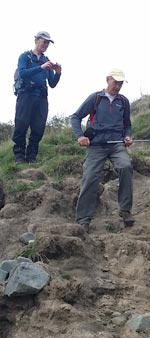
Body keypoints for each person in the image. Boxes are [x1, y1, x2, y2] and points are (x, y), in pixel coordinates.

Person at [70, 69, 134, 233]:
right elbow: (76, 117)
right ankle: (83, 219)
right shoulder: (96, 98)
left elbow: (127, 124)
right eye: (115, 82)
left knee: (126, 167)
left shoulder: (124, 101)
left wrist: (127, 136)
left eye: (120, 83)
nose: (118, 86)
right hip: (96, 145)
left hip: (116, 145)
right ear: (108, 80)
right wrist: (79, 137)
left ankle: (125, 211)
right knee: (90, 176)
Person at [12, 31, 62, 164]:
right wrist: (41, 67)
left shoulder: (47, 62)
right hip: (26, 95)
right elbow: (22, 73)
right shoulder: (25, 56)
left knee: (38, 128)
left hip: (41, 98)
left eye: (47, 43)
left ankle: (32, 157)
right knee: (21, 125)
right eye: (43, 41)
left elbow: (52, 84)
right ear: (36, 41)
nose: (45, 45)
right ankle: (19, 157)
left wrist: (58, 73)